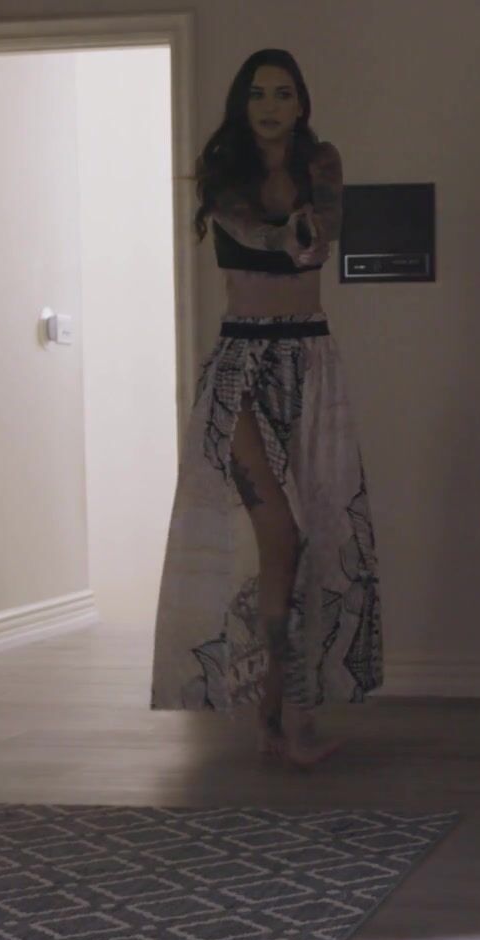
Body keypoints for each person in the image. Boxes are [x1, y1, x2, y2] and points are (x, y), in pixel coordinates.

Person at [151, 49, 380, 768]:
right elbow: (256, 233)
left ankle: (280, 717)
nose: (271, 106)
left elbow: (324, 231)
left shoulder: (322, 163)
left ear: (301, 103)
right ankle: (284, 719)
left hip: (310, 361)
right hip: (242, 367)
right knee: (279, 532)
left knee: (307, 543)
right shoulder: (223, 173)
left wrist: (308, 233)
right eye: (258, 94)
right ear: (242, 104)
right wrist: (290, 236)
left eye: (283, 93)